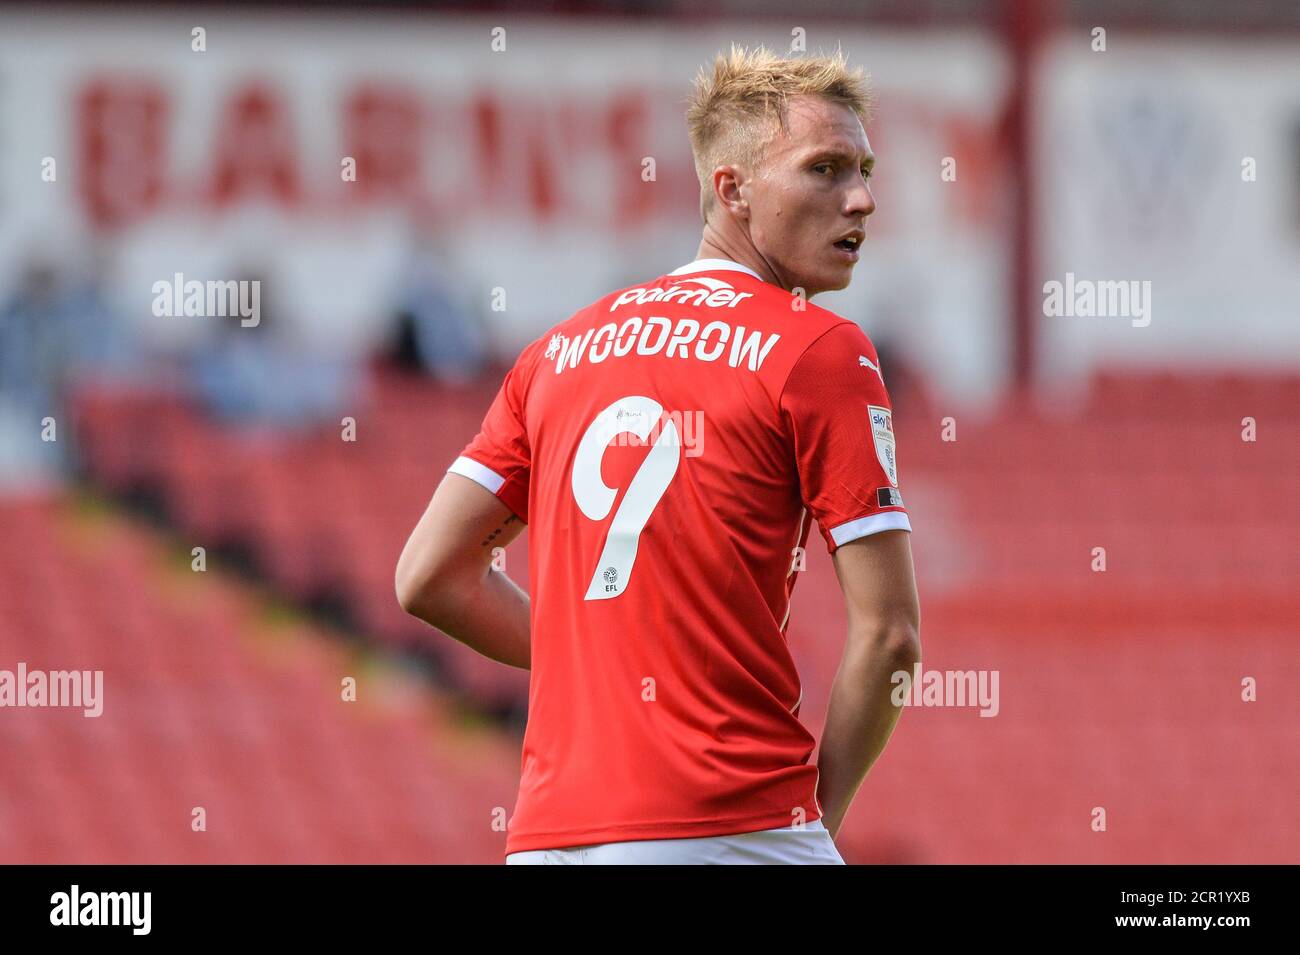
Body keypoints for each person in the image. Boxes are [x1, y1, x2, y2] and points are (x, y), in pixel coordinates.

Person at [396, 45, 921, 865]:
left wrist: (604, 653)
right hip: (728, 823)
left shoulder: (558, 350)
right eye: (825, 169)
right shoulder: (817, 347)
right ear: (733, 189)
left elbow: (429, 574)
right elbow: (891, 636)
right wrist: (814, 816)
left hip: (546, 839)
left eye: (864, 168)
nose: (862, 198)